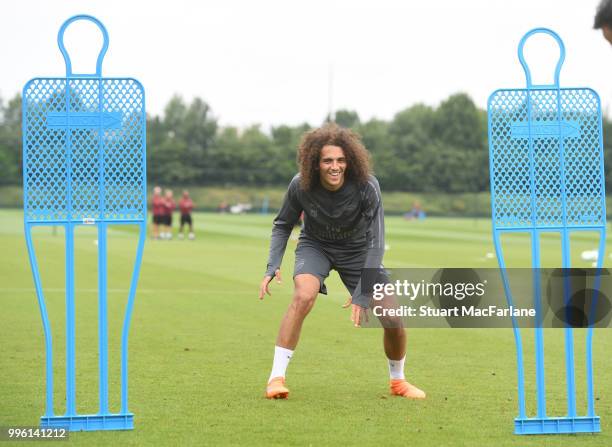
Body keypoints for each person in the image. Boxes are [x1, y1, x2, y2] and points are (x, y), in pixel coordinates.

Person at [258, 124, 425, 400]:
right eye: (327, 161)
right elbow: (282, 224)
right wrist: (272, 264)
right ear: (315, 163)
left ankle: (398, 381)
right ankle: (276, 378)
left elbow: (377, 242)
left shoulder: (367, 185)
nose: (334, 167)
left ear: (349, 161)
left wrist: (362, 293)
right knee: (303, 295)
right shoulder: (300, 184)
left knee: (392, 316)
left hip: (360, 251)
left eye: (340, 160)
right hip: (316, 246)